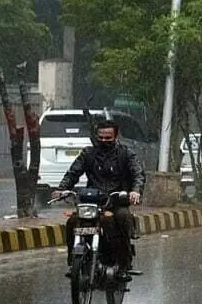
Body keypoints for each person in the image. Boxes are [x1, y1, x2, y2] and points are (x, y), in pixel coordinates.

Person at [53, 119, 145, 279]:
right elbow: (73, 172)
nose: (103, 141)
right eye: (100, 137)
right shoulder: (88, 153)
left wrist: (135, 191)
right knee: (73, 222)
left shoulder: (126, 154)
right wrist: (62, 188)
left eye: (108, 138)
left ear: (116, 137)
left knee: (123, 218)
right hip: (92, 202)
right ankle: (74, 260)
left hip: (116, 202)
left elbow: (138, 174)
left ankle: (123, 264)